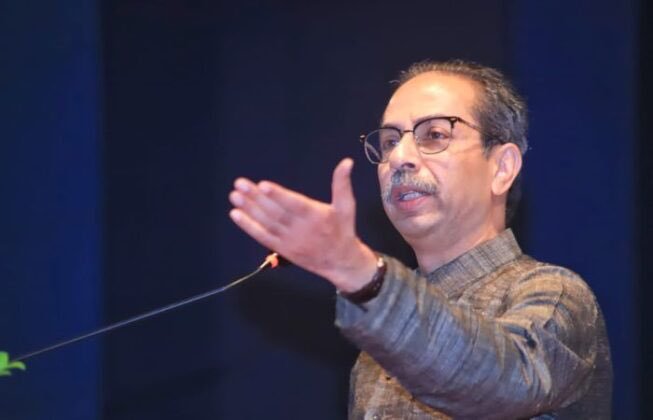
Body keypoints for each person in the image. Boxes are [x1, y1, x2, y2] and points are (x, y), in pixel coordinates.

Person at [228, 60, 612, 419]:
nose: (400, 157)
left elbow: (503, 383)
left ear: (501, 167)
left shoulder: (553, 295)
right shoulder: (376, 346)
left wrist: (362, 273)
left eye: (434, 135)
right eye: (390, 141)